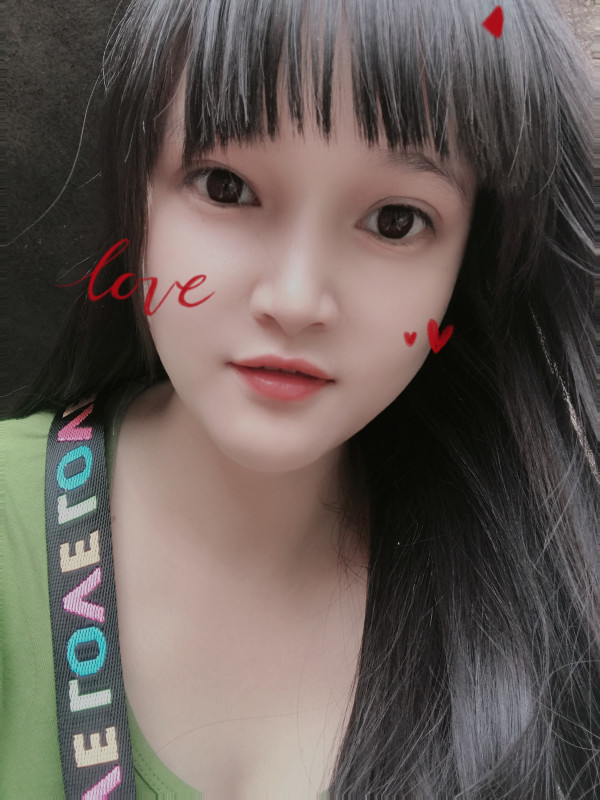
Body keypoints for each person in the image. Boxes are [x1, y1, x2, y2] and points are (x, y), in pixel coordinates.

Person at [2, 0, 597, 797]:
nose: (295, 299)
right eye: (226, 187)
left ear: (469, 262)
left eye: (396, 221)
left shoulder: (544, 595)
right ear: (137, 195)